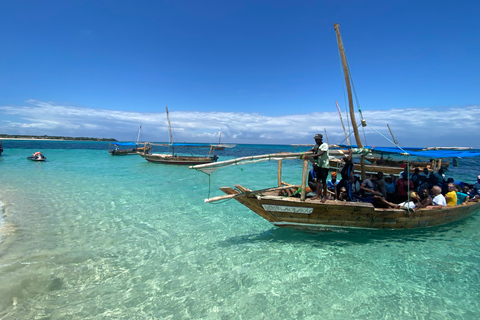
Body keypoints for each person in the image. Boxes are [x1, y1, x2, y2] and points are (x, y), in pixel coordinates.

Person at [304, 133, 329, 202]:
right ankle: (317, 195)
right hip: (319, 165)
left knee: (323, 181)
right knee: (318, 180)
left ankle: (324, 196)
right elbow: (312, 150)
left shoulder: (324, 145)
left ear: (320, 139)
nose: (316, 140)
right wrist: (305, 153)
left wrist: (310, 156)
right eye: (315, 139)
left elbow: (321, 153)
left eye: (317, 139)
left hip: (324, 166)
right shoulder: (316, 145)